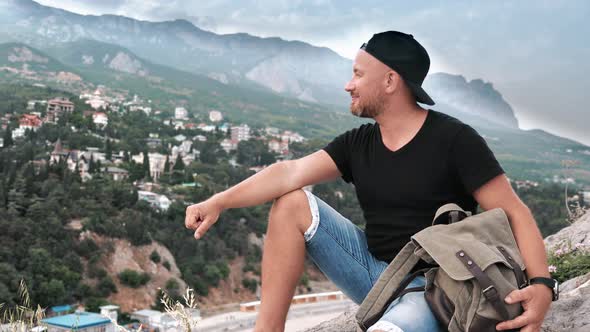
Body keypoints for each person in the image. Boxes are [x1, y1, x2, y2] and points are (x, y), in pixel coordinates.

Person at [185, 31, 553, 332]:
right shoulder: (358, 143)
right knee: (291, 202)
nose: (348, 85)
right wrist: (218, 201)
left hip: (435, 288)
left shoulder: (456, 141)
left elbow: (513, 213)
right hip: (375, 275)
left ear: (391, 81)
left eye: (359, 74)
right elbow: (288, 173)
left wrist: (541, 286)